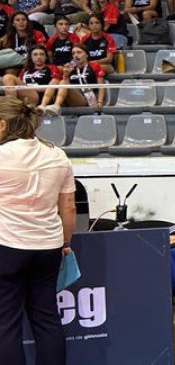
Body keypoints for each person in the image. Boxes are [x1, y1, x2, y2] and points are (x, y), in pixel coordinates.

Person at [0, 97, 74, 365]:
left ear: (2, 125)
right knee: (47, 319)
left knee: (5, 323)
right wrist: (66, 242)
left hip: (7, 247)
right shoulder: (57, 153)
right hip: (48, 248)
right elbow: (68, 205)